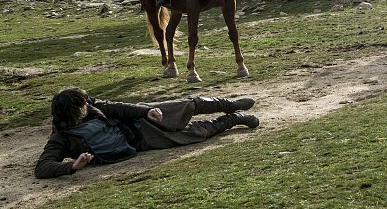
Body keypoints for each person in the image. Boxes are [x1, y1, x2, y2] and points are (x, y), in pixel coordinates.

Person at [34, 87, 259, 179]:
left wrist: (147, 110)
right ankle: (234, 120)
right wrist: (72, 166)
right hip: (143, 141)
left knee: (189, 104)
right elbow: (42, 168)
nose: (86, 106)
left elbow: (117, 107)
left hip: (138, 121)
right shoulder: (61, 137)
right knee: (196, 133)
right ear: (72, 113)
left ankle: (231, 104)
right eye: (82, 107)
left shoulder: (92, 106)